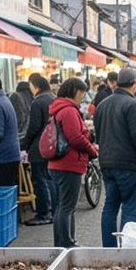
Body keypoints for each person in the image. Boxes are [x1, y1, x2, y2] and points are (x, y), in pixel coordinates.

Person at [95, 67, 136, 246]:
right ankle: (128, 249)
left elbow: (98, 136)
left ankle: (109, 249)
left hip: (106, 163)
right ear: (135, 83)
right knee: (130, 207)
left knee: (110, 207)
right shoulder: (132, 104)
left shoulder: (102, 104)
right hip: (128, 164)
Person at [47, 77, 97, 248]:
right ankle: (66, 243)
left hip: (59, 163)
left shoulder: (58, 109)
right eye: (82, 93)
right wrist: (91, 150)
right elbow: (75, 137)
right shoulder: (68, 111)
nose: (82, 97)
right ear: (75, 91)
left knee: (63, 206)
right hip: (68, 164)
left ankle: (63, 242)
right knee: (67, 207)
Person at [23, 73, 57, 226]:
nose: (30, 89)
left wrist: (25, 144)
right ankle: (55, 211)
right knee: (50, 180)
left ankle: (44, 213)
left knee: (40, 181)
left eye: (30, 85)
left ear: (36, 86)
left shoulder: (38, 102)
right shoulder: (54, 99)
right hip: (52, 146)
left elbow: (34, 127)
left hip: (39, 147)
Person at [9, 79, 32, 145]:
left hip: (18, 135)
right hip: (27, 134)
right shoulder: (30, 98)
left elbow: (20, 117)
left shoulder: (15, 96)